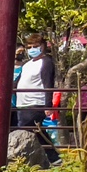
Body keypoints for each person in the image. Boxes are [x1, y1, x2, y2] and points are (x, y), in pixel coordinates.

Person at [15, 34, 61, 163]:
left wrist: (48, 105)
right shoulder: (27, 64)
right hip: (22, 104)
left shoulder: (46, 62)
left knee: (32, 130)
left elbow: (48, 84)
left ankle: (52, 157)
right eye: (29, 47)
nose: (32, 49)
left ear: (43, 46)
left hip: (36, 103)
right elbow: (18, 81)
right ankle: (52, 158)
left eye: (35, 46)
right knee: (35, 131)